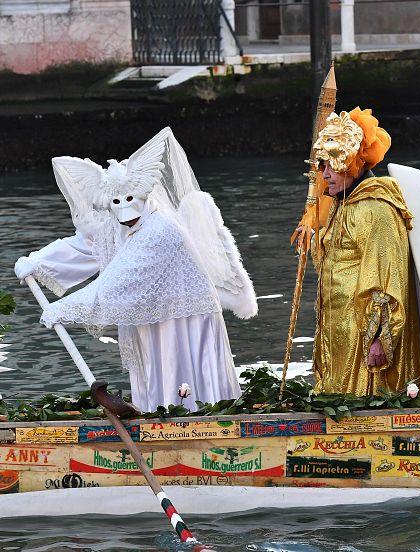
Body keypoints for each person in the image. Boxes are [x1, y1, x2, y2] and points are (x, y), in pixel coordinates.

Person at [14, 128, 257, 412]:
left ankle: (194, 426)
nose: (124, 213)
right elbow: (87, 245)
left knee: (183, 383)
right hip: (151, 320)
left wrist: (62, 309)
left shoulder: (160, 230)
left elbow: (119, 283)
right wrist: (38, 262)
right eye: (116, 204)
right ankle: (156, 423)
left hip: (183, 320)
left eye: (129, 201)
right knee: (155, 379)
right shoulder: (117, 224)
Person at [309, 107, 420, 396]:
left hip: (361, 338)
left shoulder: (378, 210)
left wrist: (377, 339)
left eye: (330, 167)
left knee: (364, 399)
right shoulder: (342, 203)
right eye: (322, 167)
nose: (325, 176)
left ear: (349, 163)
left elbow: (386, 278)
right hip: (338, 331)